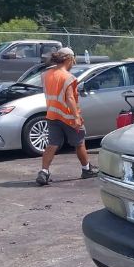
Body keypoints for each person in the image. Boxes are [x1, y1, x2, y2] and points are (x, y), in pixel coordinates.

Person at [35, 47, 98, 185]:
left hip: (52, 115)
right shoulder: (68, 77)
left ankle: (44, 172)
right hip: (68, 118)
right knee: (80, 143)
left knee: (52, 144)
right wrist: (76, 117)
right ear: (69, 59)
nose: (74, 62)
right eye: (73, 59)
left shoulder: (46, 75)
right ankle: (86, 169)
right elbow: (69, 98)